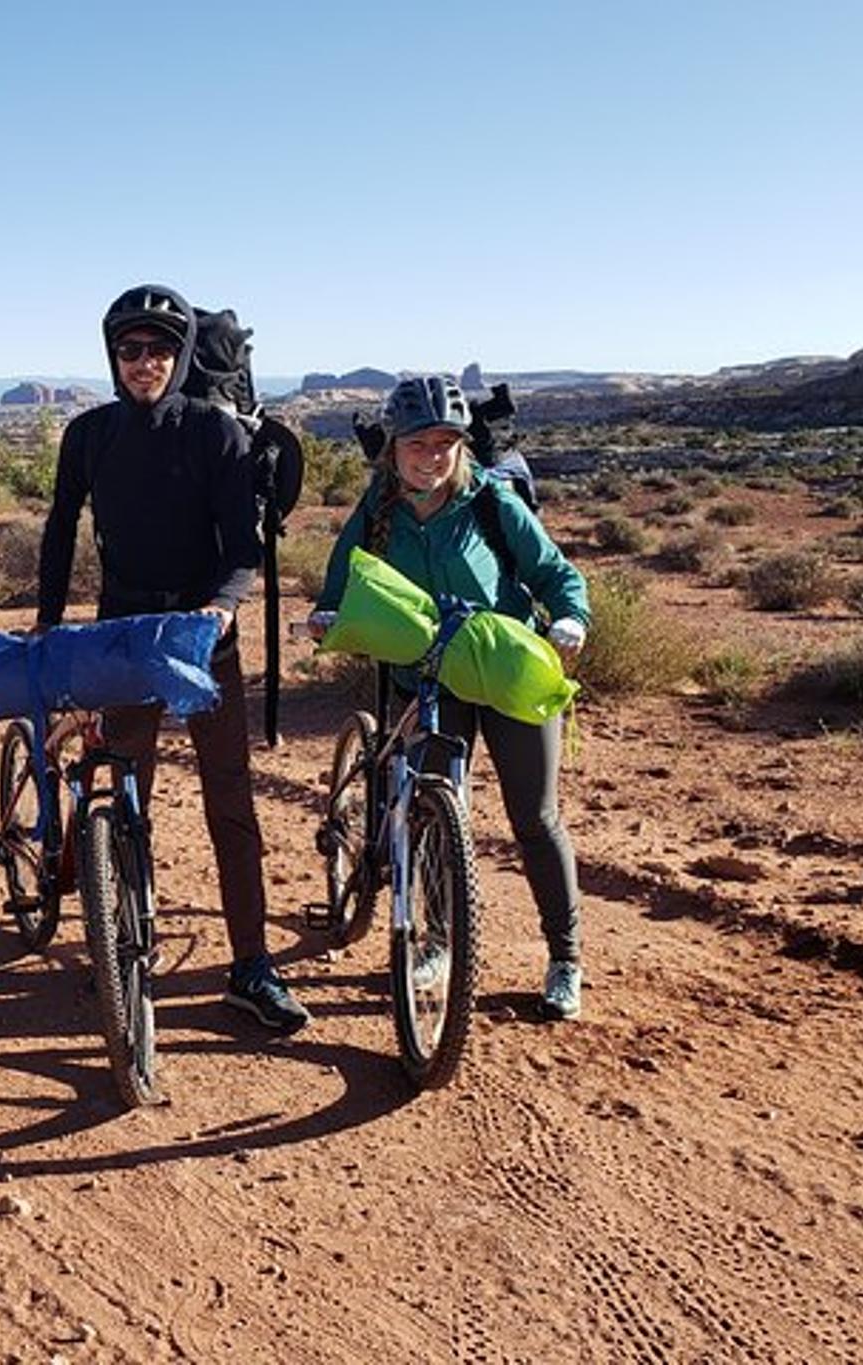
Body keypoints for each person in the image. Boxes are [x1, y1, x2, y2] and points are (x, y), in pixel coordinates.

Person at [35, 283, 311, 1035]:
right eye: (131, 349)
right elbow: (61, 532)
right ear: (113, 356)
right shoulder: (89, 436)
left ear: (182, 354)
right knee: (127, 795)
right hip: (125, 634)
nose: (145, 363)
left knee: (230, 800)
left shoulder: (215, 434)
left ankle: (252, 965)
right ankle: (126, 943)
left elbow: (242, 550)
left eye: (160, 349)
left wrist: (220, 606)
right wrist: (48, 627)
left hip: (200, 641)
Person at [310, 373, 591, 1020]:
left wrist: (570, 616)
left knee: (536, 818)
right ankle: (437, 939)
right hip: (427, 677)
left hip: (504, 672)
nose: (431, 456)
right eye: (418, 443)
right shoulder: (378, 507)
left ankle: (564, 957)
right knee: (432, 813)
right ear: (394, 446)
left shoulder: (491, 501)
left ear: (461, 446)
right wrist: (326, 614)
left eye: (445, 443)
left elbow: (553, 570)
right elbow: (339, 577)